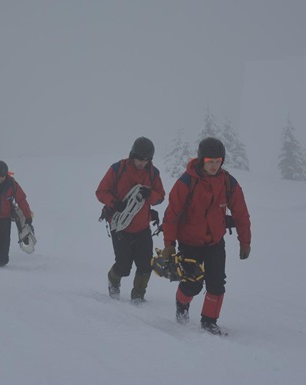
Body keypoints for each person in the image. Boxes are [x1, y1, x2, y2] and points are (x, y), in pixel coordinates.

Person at [162, 137, 251, 335]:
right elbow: (171, 215)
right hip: (189, 242)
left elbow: (241, 213)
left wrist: (245, 242)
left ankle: (209, 322)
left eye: (218, 161)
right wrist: (169, 244)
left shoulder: (228, 182)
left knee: (216, 283)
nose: (214, 165)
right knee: (192, 284)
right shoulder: (186, 182)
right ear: (202, 160)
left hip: (215, 243)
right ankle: (181, 305)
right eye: (210, 161)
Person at [96, 137, 165, 303]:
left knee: (145, 265)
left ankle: (138, 296)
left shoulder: (153, 173)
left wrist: (149, 195)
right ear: (132, 155)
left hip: (142, 226)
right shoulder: (118, 169)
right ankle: (113, 281)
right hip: (119, 226)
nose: (142, 163)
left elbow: (161, 197)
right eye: (139, 159)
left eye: (146, 160)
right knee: (123, 265)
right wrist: (114, 203)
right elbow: (101, 191)